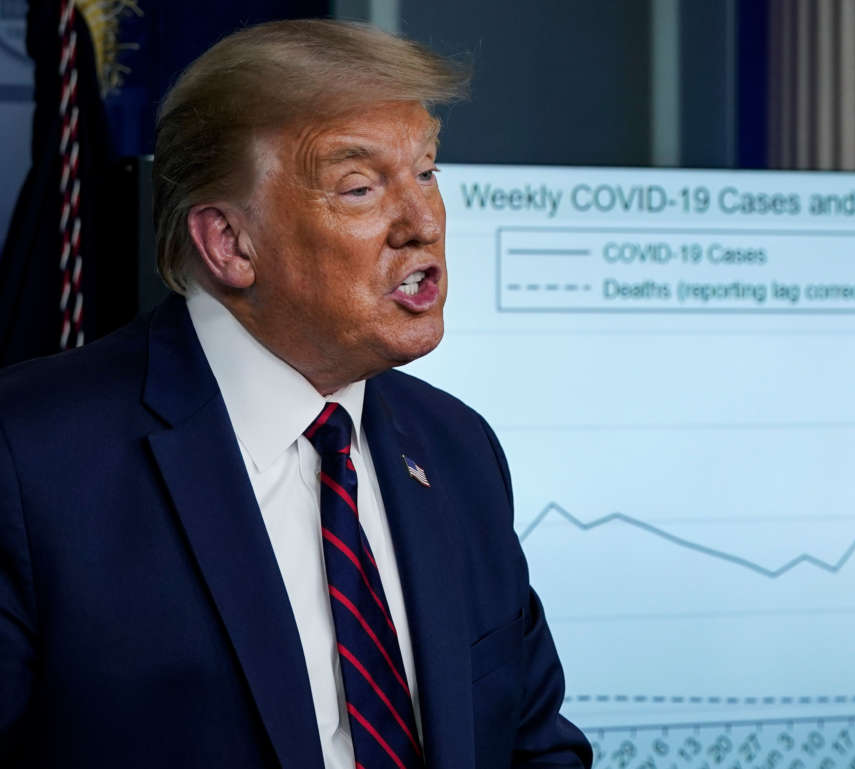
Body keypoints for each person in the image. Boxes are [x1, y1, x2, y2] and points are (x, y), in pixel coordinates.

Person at [0, 19, 591, 769]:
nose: (423, 222)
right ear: (230, 243)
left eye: (429, 171)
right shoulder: (30, 458)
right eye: (360, 186)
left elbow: (535, 745)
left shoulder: (457, 448)